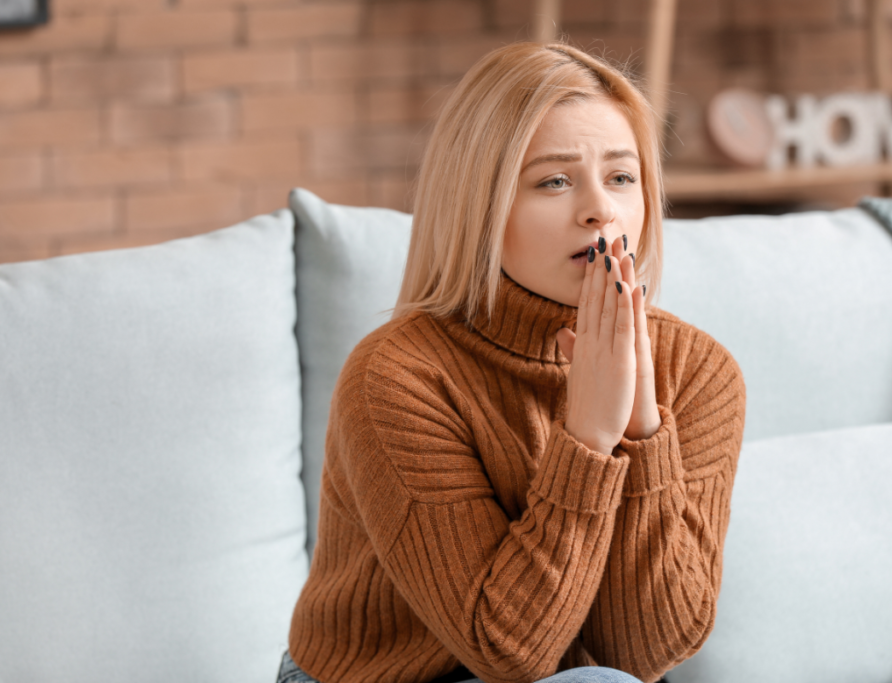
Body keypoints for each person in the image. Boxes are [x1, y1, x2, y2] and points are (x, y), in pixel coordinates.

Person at [280, 41, 746, 683]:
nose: (600, 210)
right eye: (555, 181)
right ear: (481, 206)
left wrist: (642, 432)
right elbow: (506, 650)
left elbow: (649, 652)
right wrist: (586, 440)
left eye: (621, 177)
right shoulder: (396, 378)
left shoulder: (698, 372)